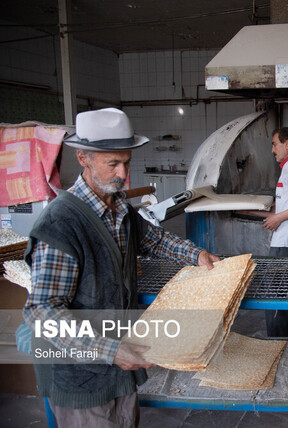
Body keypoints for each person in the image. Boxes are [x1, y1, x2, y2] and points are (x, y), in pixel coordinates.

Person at [22, 108, 220, 427]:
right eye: (112, 163)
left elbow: (153, 239)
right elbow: (43, 312)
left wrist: (197, 255)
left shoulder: (119, 209)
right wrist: (111, 350)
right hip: (82, 379)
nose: (122, 173)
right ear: (84, 158)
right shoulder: (61, 224)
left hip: (118, 370)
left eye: (126, 162)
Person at [240, 127, 288, 337]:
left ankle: (276, 345)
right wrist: (245, 209)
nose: (273, 150)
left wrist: (278, 218)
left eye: (275, 144)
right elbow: (284, 207)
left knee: (276, 299)